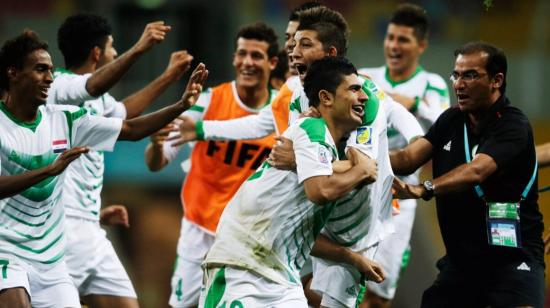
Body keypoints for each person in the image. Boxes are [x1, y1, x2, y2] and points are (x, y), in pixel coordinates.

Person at [0, 30, 206, 308]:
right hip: (7, 252)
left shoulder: (67, 118)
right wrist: (49, 171)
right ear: (13, 73)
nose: (49, 78)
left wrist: (181, 105)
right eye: (40, 70)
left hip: (51, 260)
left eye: (50, 70)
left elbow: (131, 128)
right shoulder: (11, 119)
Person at [198, 56, 375, 308]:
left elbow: (301, 232)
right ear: (326, 98)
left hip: (281, 277)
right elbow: (320, 191)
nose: (364, 97)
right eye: (354, 89)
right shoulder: (311, 128)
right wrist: (362, 171)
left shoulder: (325, 150)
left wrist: (351, 258)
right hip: (242, 268)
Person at [49, 13, 193, 308]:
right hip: (61, 235)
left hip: (92, 232)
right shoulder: (59, 88)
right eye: (113, 47)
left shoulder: (98, 100)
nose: (116, 53)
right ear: (97, 53)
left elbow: (125, 113)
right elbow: (95, 90)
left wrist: (169, 76)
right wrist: (140, 48)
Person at [390, 42, 544, 307]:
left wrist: (424, 188)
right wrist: (357, 155)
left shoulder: (513, 124)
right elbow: (407, 159)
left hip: (512, 263)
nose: (459, 84)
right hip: (461, 265)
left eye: (470, 75)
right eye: (456, 75)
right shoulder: (450, 120)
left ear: (497, 80)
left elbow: (476, 171)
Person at [145, 21, 279, 308]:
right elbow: (156, 163)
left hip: (251, 235)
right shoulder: (207, 102)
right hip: (201, 229)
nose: (247, 62)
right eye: (242, 54)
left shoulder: (281, 113)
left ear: (273, 62)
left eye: (256, 55)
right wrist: (157, 145)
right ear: (233, 58)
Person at [357, 4, 450, 307]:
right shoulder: (364, 78)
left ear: (421, 45)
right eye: (390, 37)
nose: (394, 45)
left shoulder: (430, 85)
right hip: (357, 187)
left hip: (400, 195)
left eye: (403, 40)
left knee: (378, 291)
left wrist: (414, 103)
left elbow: (446, 126)